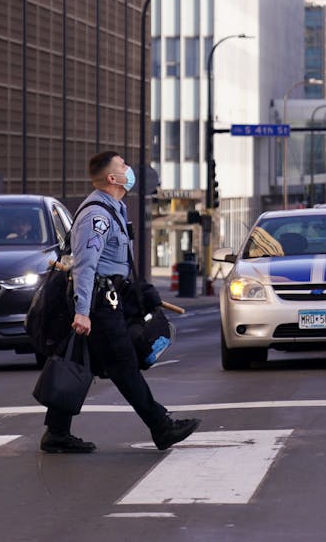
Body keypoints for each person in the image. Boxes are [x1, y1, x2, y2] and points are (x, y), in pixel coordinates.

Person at [40, 150, 200, 454]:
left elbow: (113, 265)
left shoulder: (113, 207)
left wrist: (138, 291)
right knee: (123, 365)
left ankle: (57, 433)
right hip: (99, 307)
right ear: (112, 178)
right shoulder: (97, 216)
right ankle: (161, 426)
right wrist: (83, 313)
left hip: (108, 299)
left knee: (78, 362)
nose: (129, 168)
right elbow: (86, 266)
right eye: (123, 165)